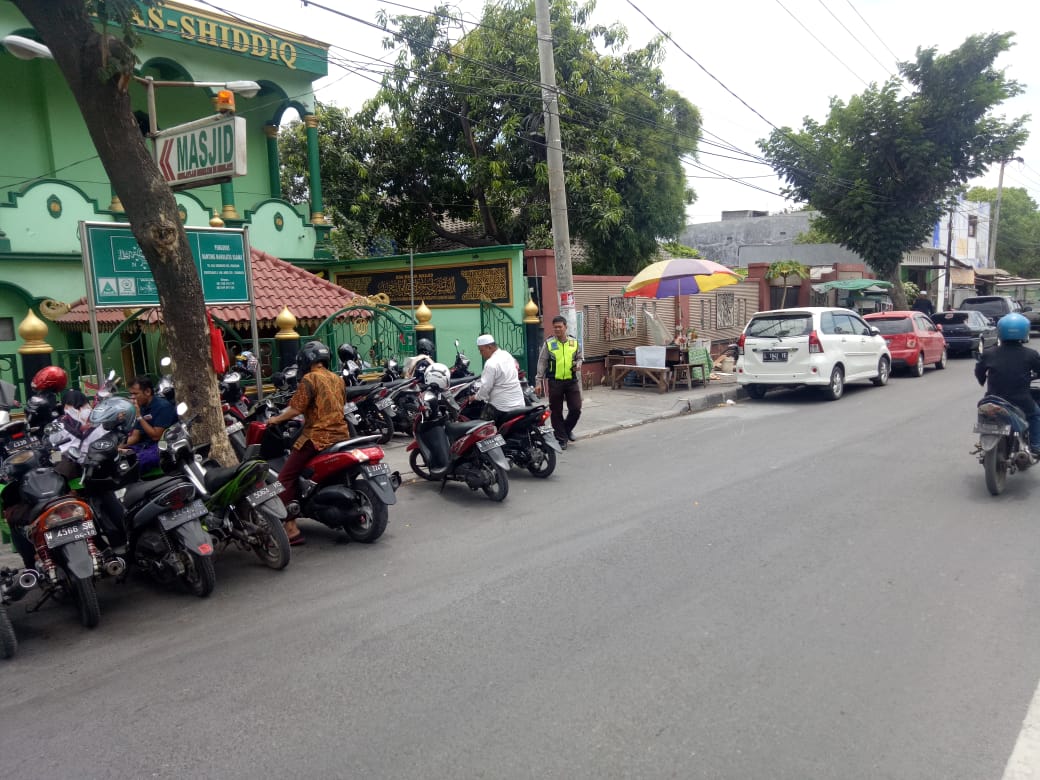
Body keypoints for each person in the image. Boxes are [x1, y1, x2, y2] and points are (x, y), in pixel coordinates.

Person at [266, 341, 351, 545]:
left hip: (317, 437)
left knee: (286, 476)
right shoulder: (337, 379)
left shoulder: (309, 379)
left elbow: (295, 409)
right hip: (342, 434)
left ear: (306, 360)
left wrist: (274, 420)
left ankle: (291, 527)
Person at [974, 312, 1040, 456]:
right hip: (1021, 400)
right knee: (1035, 415)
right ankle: (1035, 445)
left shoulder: (989, 353)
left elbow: (979, 372)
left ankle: (982, 441)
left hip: (993, 399)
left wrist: (982, 380)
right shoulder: (1031, 354)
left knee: (984, 412)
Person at [535, 315, 582, 449]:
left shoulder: (574, 342)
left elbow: (580, 357)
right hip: (555, 382)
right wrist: (538, 381)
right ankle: (561, 438)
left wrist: (578, 364)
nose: (557, 329)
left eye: (560, 327)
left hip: (571, 381)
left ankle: (566, 430)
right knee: (556, 411)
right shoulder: (549, 343)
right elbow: (542, 362)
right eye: (555, 327)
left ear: (565, 327)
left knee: (576, 409)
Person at [123, 375, 177, 470]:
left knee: (134, 462)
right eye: (131, 394)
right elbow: (135, 436)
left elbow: (156, 436)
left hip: (161, 446)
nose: (132, 397)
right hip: (144, 446)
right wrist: (116, 448)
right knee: (119, 458)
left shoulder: (163, 407)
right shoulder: (141, 407)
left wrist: (139, 417)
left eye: (135, 394)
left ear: (147, 392)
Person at [473, 334, 525, 420]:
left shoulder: (491, 363)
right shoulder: (506, 355)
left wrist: (475, 397)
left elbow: (486, 387)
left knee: (482, 427)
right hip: (519, 403)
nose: (481, 354)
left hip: (501, 407)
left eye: (481, 350)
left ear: (489, 347)